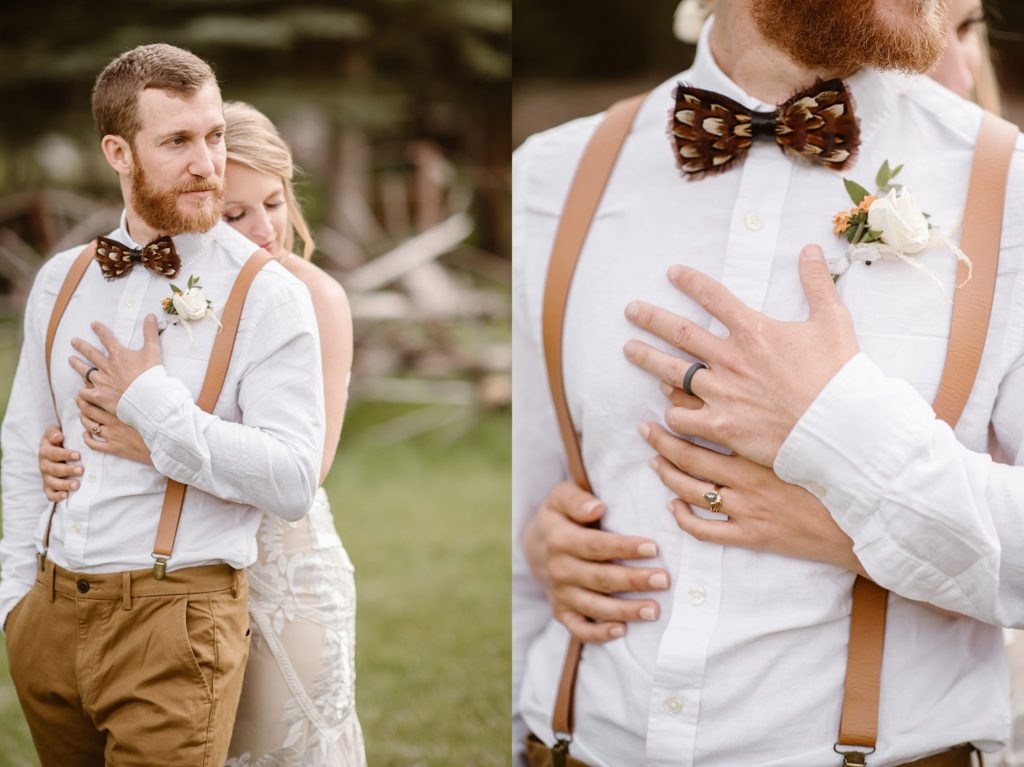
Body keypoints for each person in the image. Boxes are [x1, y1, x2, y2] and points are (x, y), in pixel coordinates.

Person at [513, 0, 1024, 764]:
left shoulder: (1007, 190)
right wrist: (532, 545)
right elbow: (527, 528)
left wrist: (838, 442)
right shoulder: (550, 176)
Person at [0, 44, 325, 765]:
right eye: (177, 141)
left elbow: (295, 477)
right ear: (118, 151)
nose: (207, 162)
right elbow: (25, 442)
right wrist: (15, 603)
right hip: (47, 622)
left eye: (213, 135)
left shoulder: (269, 294)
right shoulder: (61, 279)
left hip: (175, 622)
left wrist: (151, 400)